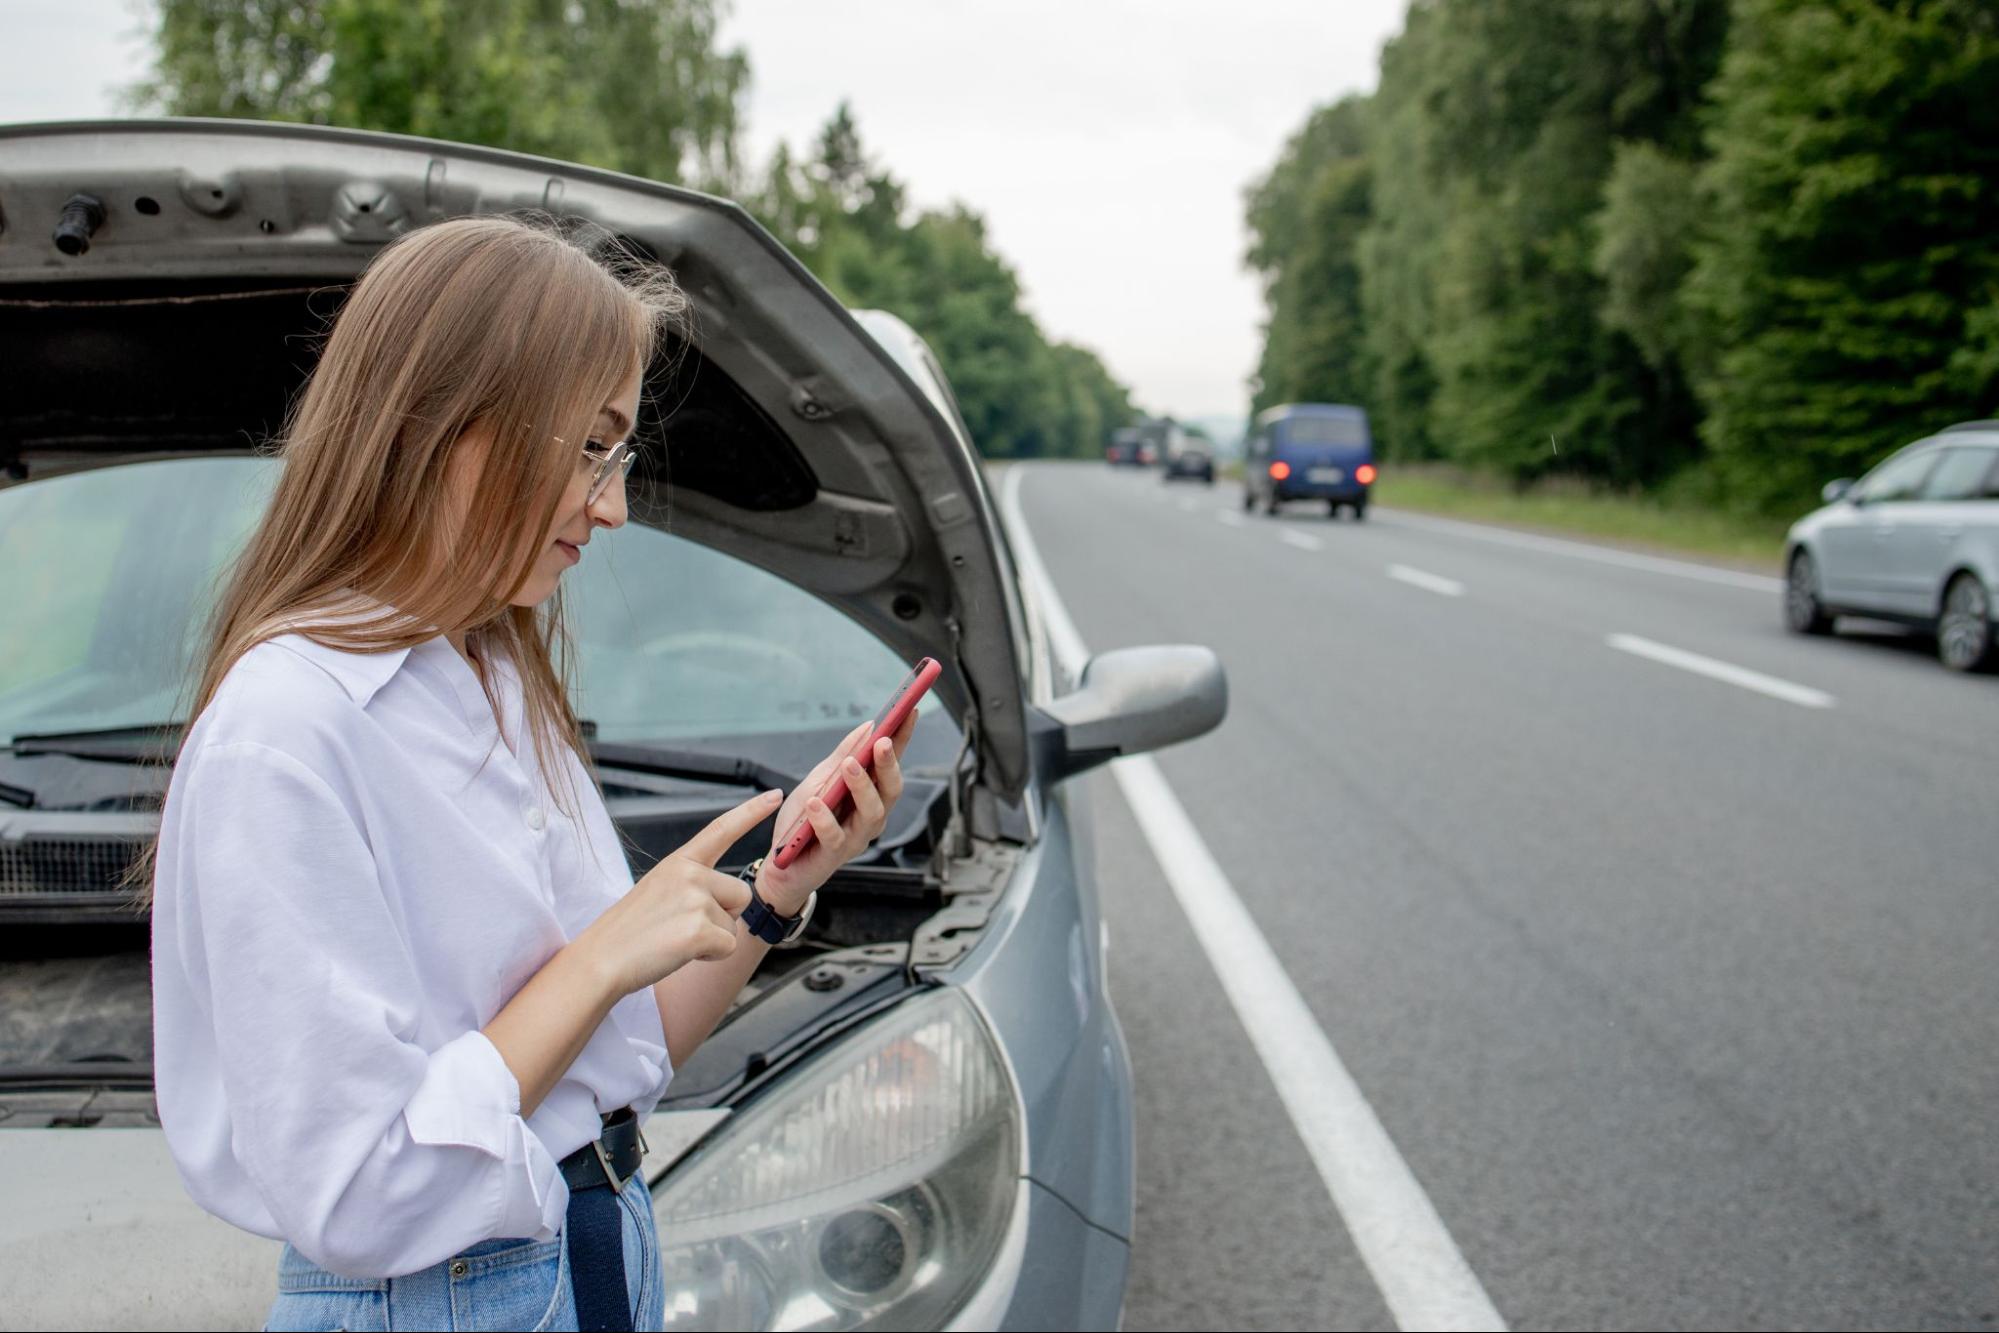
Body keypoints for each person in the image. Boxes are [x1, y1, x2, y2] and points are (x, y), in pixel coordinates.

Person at [146, 215, 914, 1332]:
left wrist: (776, 892)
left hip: (589, 1247)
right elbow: (359, 1188)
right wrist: (600, 956)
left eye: (621, 456)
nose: (609, 505)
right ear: (452, 426)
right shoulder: (285, 733)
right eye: (590, 448)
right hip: (438, 1298)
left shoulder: (495, 674)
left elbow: (618, 1058)